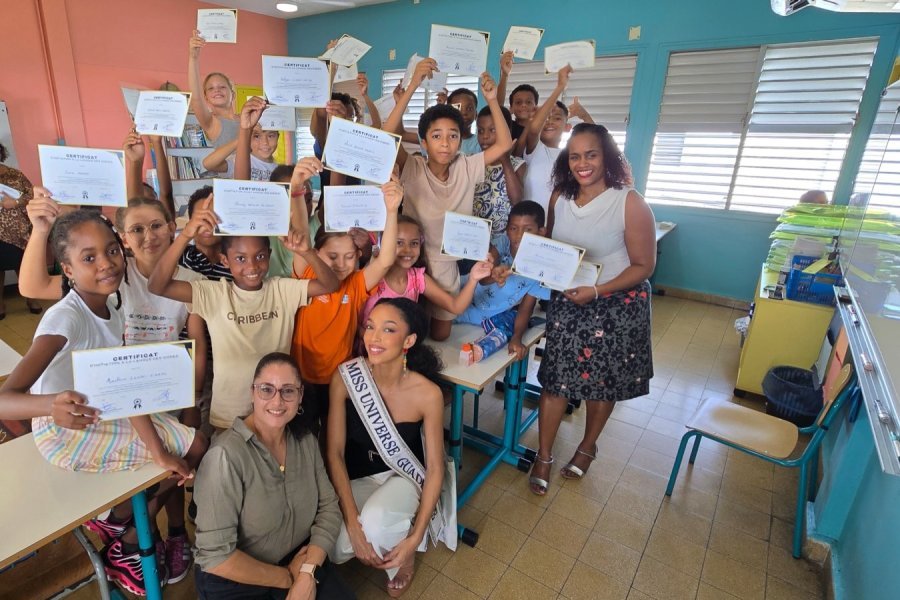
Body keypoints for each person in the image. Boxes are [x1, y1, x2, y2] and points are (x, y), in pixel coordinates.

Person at [0, 206, 208, 595]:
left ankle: (122, 528)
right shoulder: (66, 319)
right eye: (89, 258)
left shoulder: (109, 304)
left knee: (191, 445)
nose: (106, 263)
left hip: (103, 411)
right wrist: (50, 405)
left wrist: (159, 452)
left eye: (111, 250)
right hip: (64, 432)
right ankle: (123, 531)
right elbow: (4, 400)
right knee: (192, 447)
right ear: (67, 269)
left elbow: (123, 389)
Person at [148, 173, 339, 431]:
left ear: (269, 255)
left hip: (276, 411)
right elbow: (157, 285)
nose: (252, 266)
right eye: (240, 258)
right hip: (229, 416)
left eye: (260, 256)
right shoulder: (214, 293)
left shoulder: (281, 289)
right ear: (225, 261)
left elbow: (330, 285)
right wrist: (185, 236)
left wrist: (306, 252)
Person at [528, 123, 656, 496]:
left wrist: (598, 291)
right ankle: (544, 455)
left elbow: (644, 266)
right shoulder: (559, 197)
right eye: (574, 157)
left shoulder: (629, 202)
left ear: (607, 157)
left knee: (602, 384)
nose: (582, 164)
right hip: (570, 301)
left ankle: (587, 447)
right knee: (556, 381)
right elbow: (554, 247)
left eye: (591, 155)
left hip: (615, 305)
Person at [193, 352, 354, 600]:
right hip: (238, 579)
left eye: (288, 391)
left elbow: (329, 508)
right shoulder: (225, 457)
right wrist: (287, 578)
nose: (277, 401)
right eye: (266, 389)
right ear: (252, 392)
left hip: (300, 561)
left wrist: (307, 573)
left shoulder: (306, 441)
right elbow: (215, 557)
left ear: (300, 396)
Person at [384, 59, 512, 341]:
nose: (445, 143)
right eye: (436, 136)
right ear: (424, 141)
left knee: (440, 337)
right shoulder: (413, 167)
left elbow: (504, 144)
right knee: (405, 329)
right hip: (409, 259)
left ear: (460, 140)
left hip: (445, 264)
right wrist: (413, 85)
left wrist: (492, 99)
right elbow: (388, 137)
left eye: (453, 136)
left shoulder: (467, 165)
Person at [327, 298, 447, 597]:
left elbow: (435, 469)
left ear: (409, 340)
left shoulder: (428, 393)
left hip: (403, 477)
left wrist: (415, 537)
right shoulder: (346, 377)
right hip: (358, 475)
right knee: (334, 545)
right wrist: (352, 525)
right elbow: (334, 453)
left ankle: (403, 558)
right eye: (370, 327)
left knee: (377, 524)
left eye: (388, 329)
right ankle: (383, 533)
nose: (374, 337)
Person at [290, 173, 401, 428]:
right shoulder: (306, 273)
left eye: (349, 257)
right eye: (332, 256)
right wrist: (296, 190)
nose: (341, 264)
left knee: (332, 430)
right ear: (315, 253)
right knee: (303, 431)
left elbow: (385, 260)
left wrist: (392, 210)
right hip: (301, 376)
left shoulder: (356, 283)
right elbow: (301, 234)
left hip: (338, 379)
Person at [359, 215, 492, 336]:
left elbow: (455, 306)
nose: (407, 250)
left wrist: (473, 278)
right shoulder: (373, 277)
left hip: (402, 350)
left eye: (414, 243)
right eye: (399, 242)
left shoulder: (417, 278)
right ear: (385, 244)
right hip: (369, 347)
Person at [456, 201, 550, 362]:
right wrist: (495, 273)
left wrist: (517, 338)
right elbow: (482, 280)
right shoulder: (503, 242)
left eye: (528, 229)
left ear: (541, 232)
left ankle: (479, 350)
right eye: (513, 228)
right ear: (507, 230)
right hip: (461, 296)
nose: (519, 235)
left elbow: (526, 308)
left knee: (508, 324)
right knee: (438, 322)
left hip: (485, 317)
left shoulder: (538, 269)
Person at [515, 66, 573, 214]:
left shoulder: (571, 155)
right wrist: (560, 87)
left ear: (567, 126)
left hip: (560, 223)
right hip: (531, 223)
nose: (550, 122)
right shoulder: (536, 149)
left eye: (557, 118)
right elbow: (534, 129)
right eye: (546, 118)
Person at [0, 142, 41, 318]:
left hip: (18, 230)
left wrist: (15, 202)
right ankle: (0, 304)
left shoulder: (15, 174)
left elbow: (31, 195)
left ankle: (31, 299)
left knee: (23, 266)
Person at [473, 105, 526, 238]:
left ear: (506, 132)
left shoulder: (516, 164)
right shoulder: (473, 162)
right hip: (475, 236)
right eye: (480, 131)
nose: (485, 136)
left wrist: (505, 161)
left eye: (492, 130)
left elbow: (516, 200)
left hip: (503, 240)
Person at [202, 97, 279, 181]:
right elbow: (208, 164)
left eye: (270, 136)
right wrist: (243, 138)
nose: (265, 142)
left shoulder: (279, 169)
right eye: (256, 136)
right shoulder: (239, 160)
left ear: (278, 136)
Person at [188, 29, 239, 147]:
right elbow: (196, 98)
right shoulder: (211, 122)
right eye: (211, 88)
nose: (217, 90)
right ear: (206, 98)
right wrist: (193, 58)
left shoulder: (246, 119)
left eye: (222, 87)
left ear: (233, 94)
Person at [177, 186, 233, 282]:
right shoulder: (179, 256)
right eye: (200, 218)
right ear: (189, 225)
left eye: (214, 217)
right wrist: (185, 235)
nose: (207, 224)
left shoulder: (236, 260)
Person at [123, 130, 176, 219]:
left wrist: (157, 143)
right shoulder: (132, 222)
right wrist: (135, 162)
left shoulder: (163, 220)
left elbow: (166, 195)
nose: (145, 206)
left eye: (150, 201)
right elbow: (132, 204)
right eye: (140, 202)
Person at [496, 51, 539, 140]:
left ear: (536, 107)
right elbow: (497, 108)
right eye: (518, 102)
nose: (523, 105)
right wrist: (505, 75)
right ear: (511, 108)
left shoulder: (540, 130)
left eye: (528, 102)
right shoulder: (508, 127)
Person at [447, 87, 481, 155]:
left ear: (476, 114)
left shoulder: (480, 142)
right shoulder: (443, 141)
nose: (464, 113)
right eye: (457, 109)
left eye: (469, 108)